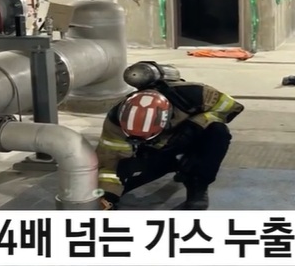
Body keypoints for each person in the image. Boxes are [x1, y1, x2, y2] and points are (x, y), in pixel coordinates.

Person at [97, 61, 244, 211]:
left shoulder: (194, 94)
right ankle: (168, 165)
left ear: (167, 118)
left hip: (190, 138)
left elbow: (232, 107)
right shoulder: (115, 120)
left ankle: (197, 185)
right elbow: (109, 164)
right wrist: (108, 196)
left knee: (217, 132)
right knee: (123, 173)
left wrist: (195, 125)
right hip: (155, 150)